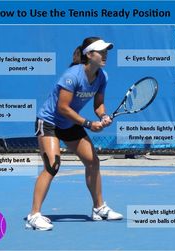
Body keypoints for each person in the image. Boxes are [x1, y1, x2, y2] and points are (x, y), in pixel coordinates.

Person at [25, 37, 123, 231]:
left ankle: (99, 208)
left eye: (106, 51)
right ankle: (33, 216)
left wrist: (103, 116)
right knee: (52, 166)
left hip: (70, 124)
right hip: (50, 122)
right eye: (101, 51)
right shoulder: (72, 76)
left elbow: (98, 105)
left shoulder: (102, 76)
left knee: (93, 162)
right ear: (89, 55)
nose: (105, 55)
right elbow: (62, 108)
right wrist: (88, 124)